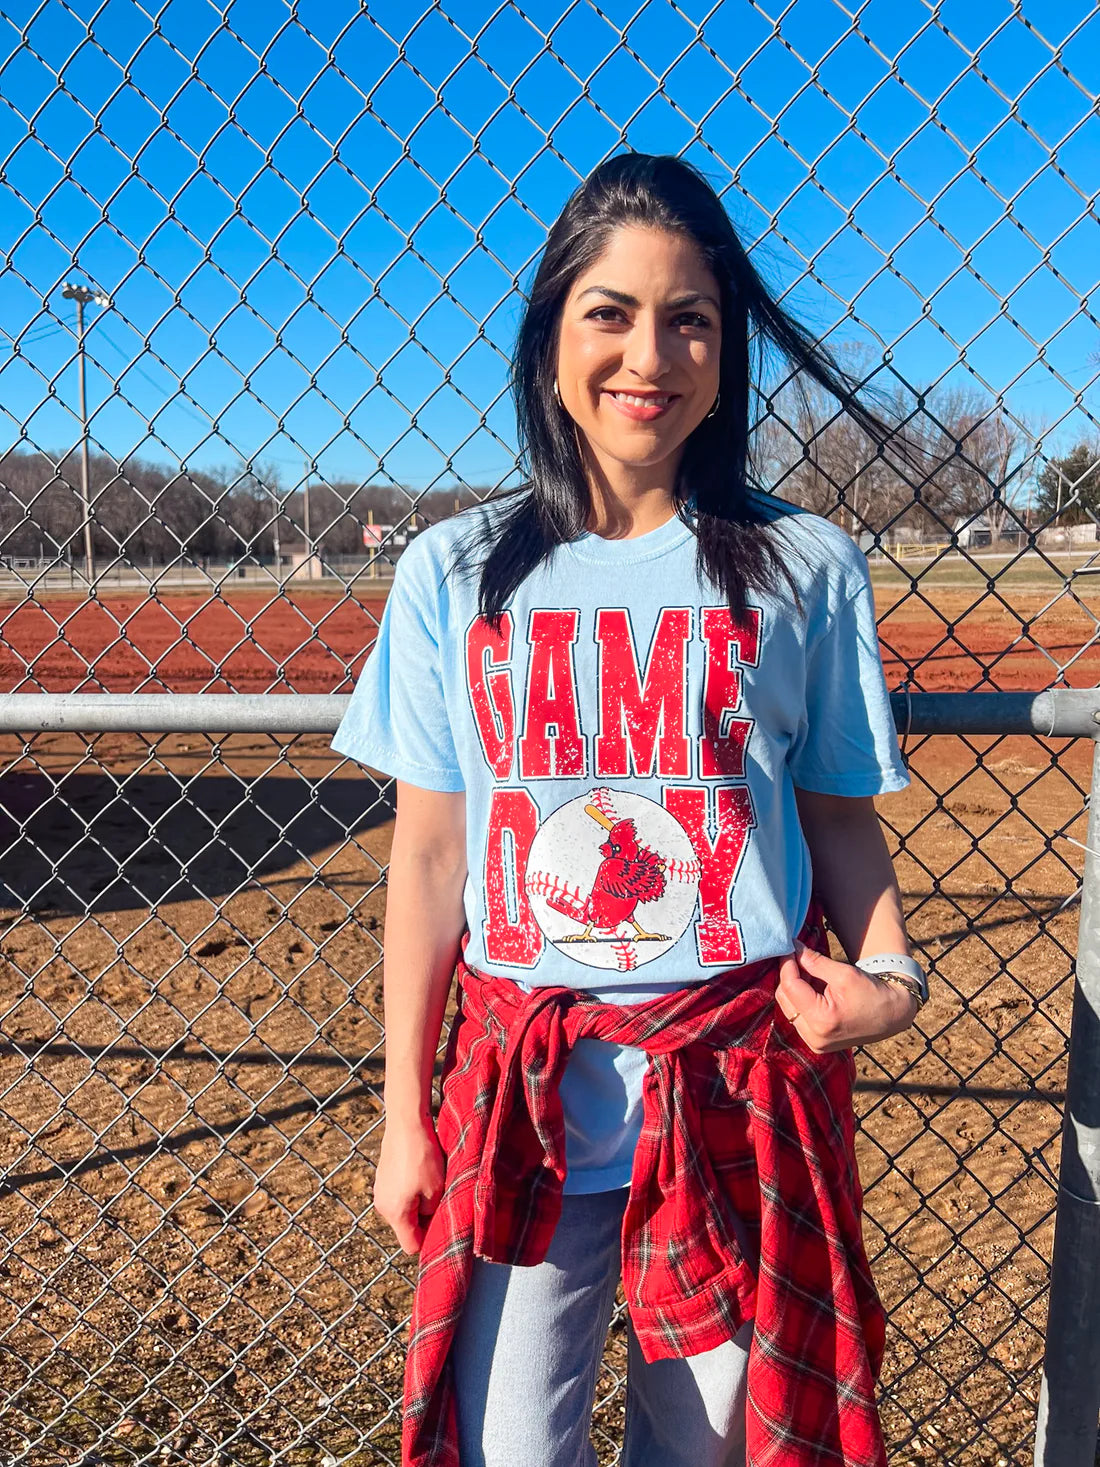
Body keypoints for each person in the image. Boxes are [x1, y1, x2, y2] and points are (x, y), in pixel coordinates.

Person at [331, 153, 924, 1467]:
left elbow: (837, 823)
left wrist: (892, 979)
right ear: (551, 333)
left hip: (735, 1089)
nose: (649, 353)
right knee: (507, 1443)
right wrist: (401, 1119)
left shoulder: (805, 567)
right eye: (610, 310)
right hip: (524, 1100)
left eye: (690, 316)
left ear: (727, 346)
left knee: (708, 1447)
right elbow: (429, 863)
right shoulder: (454, 572)